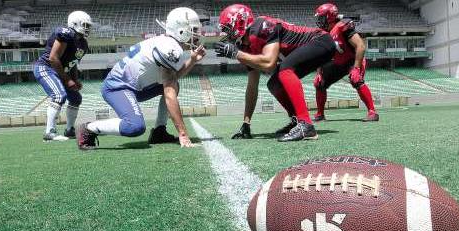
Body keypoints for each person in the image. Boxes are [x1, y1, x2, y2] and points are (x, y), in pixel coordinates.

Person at [76, 7, 205, 150]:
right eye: (193, 30)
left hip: (135, 87)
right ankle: (89, 128)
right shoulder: (171, 49)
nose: (197, 35)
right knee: (135, 126)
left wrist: (192, 60)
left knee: (175, 85)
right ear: (181, 31)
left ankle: (159, 132)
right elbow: (169, 92)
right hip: (117, 87)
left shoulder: (166, 43)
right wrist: (183, 134)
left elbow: (172, 79)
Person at [215, 4, 337, 142]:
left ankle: (306, 125)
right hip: (312, 47)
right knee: (274, 84)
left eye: (228, 29)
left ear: (240, 22)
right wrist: (246, 123)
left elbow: (268, 63)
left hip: (321, 40)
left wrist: (236, 54)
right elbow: (252, 86)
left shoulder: (261, 25)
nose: (226, 34)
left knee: (285, 70)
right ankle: (297, 120)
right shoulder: (245, 46)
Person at [313, 3, 379, 122]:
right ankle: (320, 114)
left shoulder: (342, 26)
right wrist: (319, 72)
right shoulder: (322, 33)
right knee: (319, 83)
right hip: (338, 63)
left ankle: (372, 112)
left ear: (329, 17)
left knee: (356, 79)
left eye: (321, 17)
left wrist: (356, 68)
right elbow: (320, 55)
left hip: (353, 61)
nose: (319, 20)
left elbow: (360, 46)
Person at [34, 11, 92, 141]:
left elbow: (73, 63)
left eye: (89, 26)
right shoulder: (66, 33)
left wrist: (75, 79)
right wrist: (68, 80)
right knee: (59, 95)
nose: (87, 28)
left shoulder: (83, 43)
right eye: (85, 25)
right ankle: (49, 132)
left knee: (76, 98)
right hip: (46, 67)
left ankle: (70, 130)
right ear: (75, 23)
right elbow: (53, 58)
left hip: (61, 71)